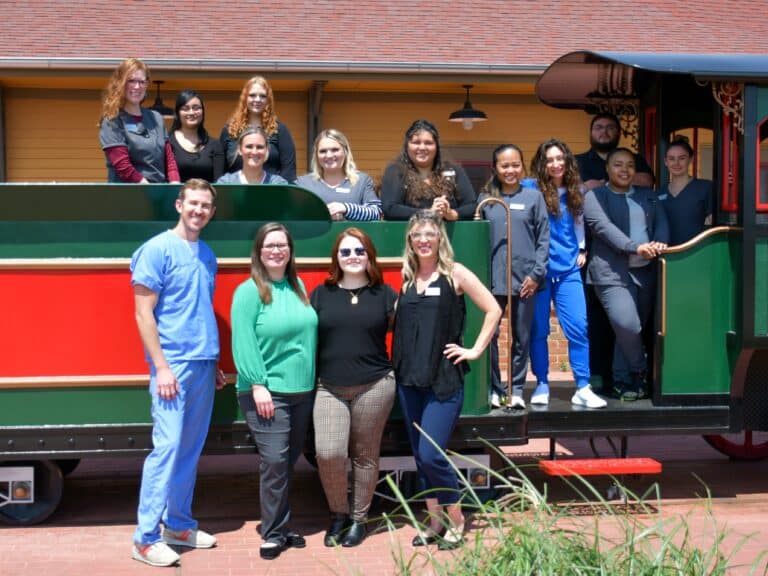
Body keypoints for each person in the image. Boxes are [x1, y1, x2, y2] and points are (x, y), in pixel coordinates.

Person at [130, 178, 226, 567]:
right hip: (172, 366)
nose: (198, 210)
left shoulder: (207, 254)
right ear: (178, 205)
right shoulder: (156, 250)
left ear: (212, 212)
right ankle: (144, 538)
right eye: (193, 203)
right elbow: (143, 314)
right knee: (166, 449)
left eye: (205, 205)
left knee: (189, 450)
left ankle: (179, 525)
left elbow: (198, 310)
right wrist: (162, 367)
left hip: (203, 364)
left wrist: (213, 360)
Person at [392, 210, 501, 550]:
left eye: (430, 234)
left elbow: (494, 309)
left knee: (431, 453)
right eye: (417, 235)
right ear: (410, 241)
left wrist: (475, 350)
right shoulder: (407, 277)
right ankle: (434, 520)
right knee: (418, 455)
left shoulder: (455, 274)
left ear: (440, 238)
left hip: (443, 380)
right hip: (409, 379)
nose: (423, 240)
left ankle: (456, 517)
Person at [230, 222, 317, 560]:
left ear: (290, 251)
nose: (276, 250)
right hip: (267, 391)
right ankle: (272, 533)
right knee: (274, 461)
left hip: (302, 391)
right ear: (259, 251)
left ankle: (282, 524)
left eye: (282, 245)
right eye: (269, 245)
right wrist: (257, 384)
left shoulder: (297, 286)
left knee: (288, 461)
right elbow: (243, 340)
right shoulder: (249, 290)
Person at [310, 228, 397, 547]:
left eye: (359, 251)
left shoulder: (386, 294)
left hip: (375, 385)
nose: (353, 257)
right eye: (345, 252)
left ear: (369, 255)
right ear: (336, 257)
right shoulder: (321, 294)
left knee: (365, 455)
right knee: (328, 453)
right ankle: (338, 515)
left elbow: (407, 334)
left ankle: (359, 519)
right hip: (328, 386)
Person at [583, 148, 669, 401]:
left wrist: (660, 243)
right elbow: (603, 228)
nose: (624, 170)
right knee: (627, 324)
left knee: (629, 332)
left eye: (630, 165)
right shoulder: (595, 196)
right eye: (618, 164)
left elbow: (662, 223)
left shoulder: (649, 196)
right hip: (610, 273)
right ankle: (640, 369)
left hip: (646, 272)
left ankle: (623, 381)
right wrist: (636, 247)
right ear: (607, 169)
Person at [528, 139, 606, 408]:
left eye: (560, 158)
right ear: (541, 163)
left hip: (569, 268)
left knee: (578, 328)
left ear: (567, 160)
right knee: (538, 330)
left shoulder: (577, 190)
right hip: (539, 272)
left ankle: (582, 386)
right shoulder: (532, 188)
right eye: (549, 159)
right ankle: (541, 383)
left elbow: (579, 222)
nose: (555, 164)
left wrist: (582, 247)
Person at [478, 144, 549, 409]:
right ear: (495, 168)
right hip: (493, 281)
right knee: (492, 335)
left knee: (522, 336)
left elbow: (544, 239)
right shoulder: (485, 198)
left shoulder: (534, 197)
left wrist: (536, 274)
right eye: (504, 165)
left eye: (515, 164)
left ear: (522, 166)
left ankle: (516, 388)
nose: (510, 170)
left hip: (526, 281)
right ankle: (495, 388)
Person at [99, 58, 180, 184]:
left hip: (159, 193)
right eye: (131, 81)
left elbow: (169, 160)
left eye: (142, 82)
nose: (137, 87)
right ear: (120, 83)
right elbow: (123, 167)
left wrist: (174, 186)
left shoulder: (156, 118)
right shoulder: (112, 121)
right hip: (131, 194)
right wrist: (148, 190)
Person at [381, 119, 476, 220]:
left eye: (428, 143)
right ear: (407, 146)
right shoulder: (395, 171)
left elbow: (472, 205)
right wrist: (428, 213)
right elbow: (390, 208)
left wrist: (452, 214)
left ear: (436, 147)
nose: (422, 147)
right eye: (416, 142)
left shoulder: (454, 171)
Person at [220, 76, 296, 182]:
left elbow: (289, 172)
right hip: (236, 193)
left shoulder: (280, 131)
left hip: (271, 193)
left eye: (262, 96)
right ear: (245, 98)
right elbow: (220, 169)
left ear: (268, 100)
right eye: (252, 95)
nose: (257, 100)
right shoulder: (229, 130)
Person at [297, 129, 382, 221]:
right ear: (316, 155)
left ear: (345, 152)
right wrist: (323, 214)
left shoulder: (362, 181)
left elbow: (376, 213)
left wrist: (345, 208)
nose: (329, 155)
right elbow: (293, 214)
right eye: (323, 151)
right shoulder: (302, 183)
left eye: (335, 150)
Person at [575, 112, 654, 191]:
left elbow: (647, 182)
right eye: (598, 128)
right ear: (591, 133)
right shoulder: (575, 161)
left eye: (610, 128)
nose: (604, 132)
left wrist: (603, 185)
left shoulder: (635, 159)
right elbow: (566, 191)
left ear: (619, 133)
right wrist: (583, 188)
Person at [658, 136, 713, 245]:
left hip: (696, 251)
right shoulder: (659, 193)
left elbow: (714, 225)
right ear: (665, 162)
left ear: (691, 159)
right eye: (671, 159)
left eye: (682, 158)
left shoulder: (705, 187)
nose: (676, 163)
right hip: (667, 252)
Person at [169, 89, 226, 183]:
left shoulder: (215, 145)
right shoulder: (168, 143)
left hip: (207, 197)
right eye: (185, 108)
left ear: (203, 112)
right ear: (178, 113)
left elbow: (219, 183)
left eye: (196, 108)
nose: (191, 113)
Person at [215, 127, 289, 185]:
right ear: (239, 150)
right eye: (249, 146)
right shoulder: (226, 183)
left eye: (260, 147)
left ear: (267, 150)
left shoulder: (278, 184)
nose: (254, 152)